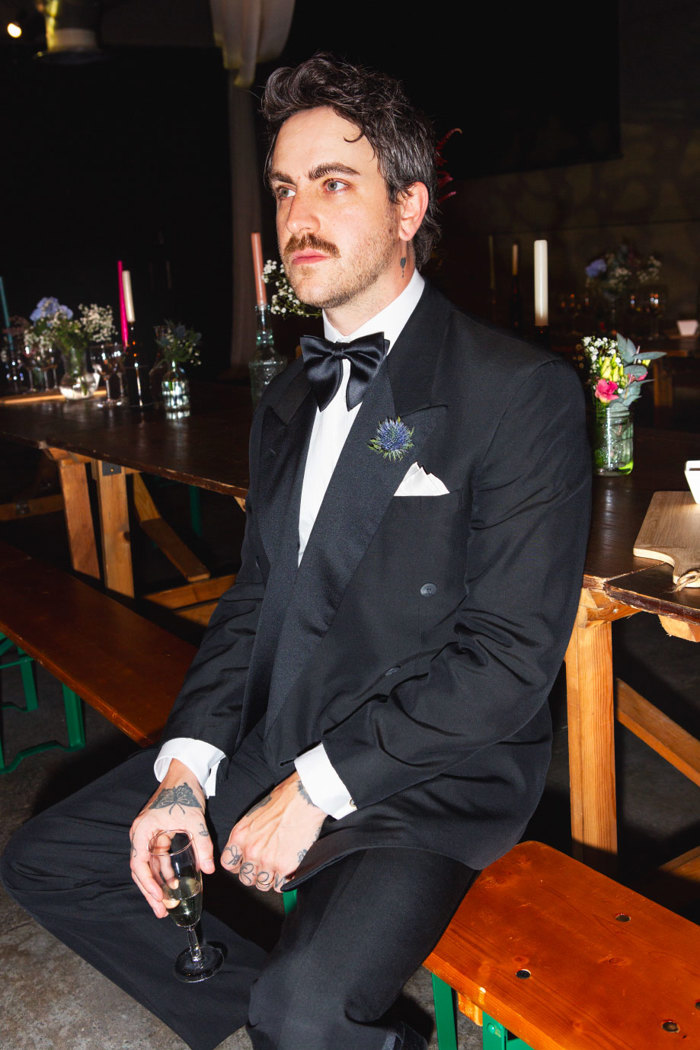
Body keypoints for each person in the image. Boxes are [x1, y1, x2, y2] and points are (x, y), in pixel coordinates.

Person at [1, 54, 591, 1050]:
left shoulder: (516, 392)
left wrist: (311, 793)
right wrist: (188, 769)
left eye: (333, 182)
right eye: (284, 188)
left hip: (421, 773)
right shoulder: (287, 399)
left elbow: (503, 665)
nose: (298, 214)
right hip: (281, 731)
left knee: (306, 1008)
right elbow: (256, 601)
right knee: (50, 861)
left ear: (408, 209)